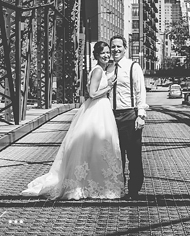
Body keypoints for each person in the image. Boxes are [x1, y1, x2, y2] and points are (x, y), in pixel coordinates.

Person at [22, 41, 123, 200]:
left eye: (107, 52)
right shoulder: (97, 71)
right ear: (96, 55)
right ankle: (90, 185)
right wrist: (109, 86)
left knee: (96, 149)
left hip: (100, 109)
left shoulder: (100, 70)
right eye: (103, 53)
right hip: (97, 109)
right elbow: (92, 94)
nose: (106, 55)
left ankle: (93, 183)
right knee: (97, 147)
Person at [109, 35, 148, 199]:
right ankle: (118, 187)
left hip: (129, 115)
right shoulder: (108, 68)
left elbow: (141, 92)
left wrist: (141, 115)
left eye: (119, 46)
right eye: (113, 47)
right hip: (110, 117)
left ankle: (134, 189)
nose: (115, 50)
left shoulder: (133, 67)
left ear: (125, 48)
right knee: (116, 156)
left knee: (133, 155)